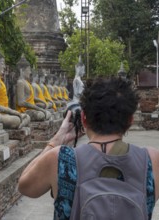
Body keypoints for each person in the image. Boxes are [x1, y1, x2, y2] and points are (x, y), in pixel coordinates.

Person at [18, 77, 159, 219]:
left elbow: (24, 186)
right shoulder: (151, 160)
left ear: (84, 117)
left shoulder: (62, 159)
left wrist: (57, 140)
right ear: (130, 121)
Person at [0, 43, 30, 129]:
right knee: (17, 120)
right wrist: (11, 111)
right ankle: (17, 125)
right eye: (2, 63)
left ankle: (18, 126)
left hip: (5, 113)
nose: (4, 66)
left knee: (27, 117)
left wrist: (12, 112)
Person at [16, 54, 49, 121]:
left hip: (31, 108)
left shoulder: (27, 83)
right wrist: (38, 108)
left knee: (47, 113)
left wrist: (42, 103)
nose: (30, 72)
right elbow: (21, 102)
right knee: (41, 115)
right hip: (25, 110)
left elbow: (32, 97)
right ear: (21, 70)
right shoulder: (20, 82)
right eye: (28, 70)